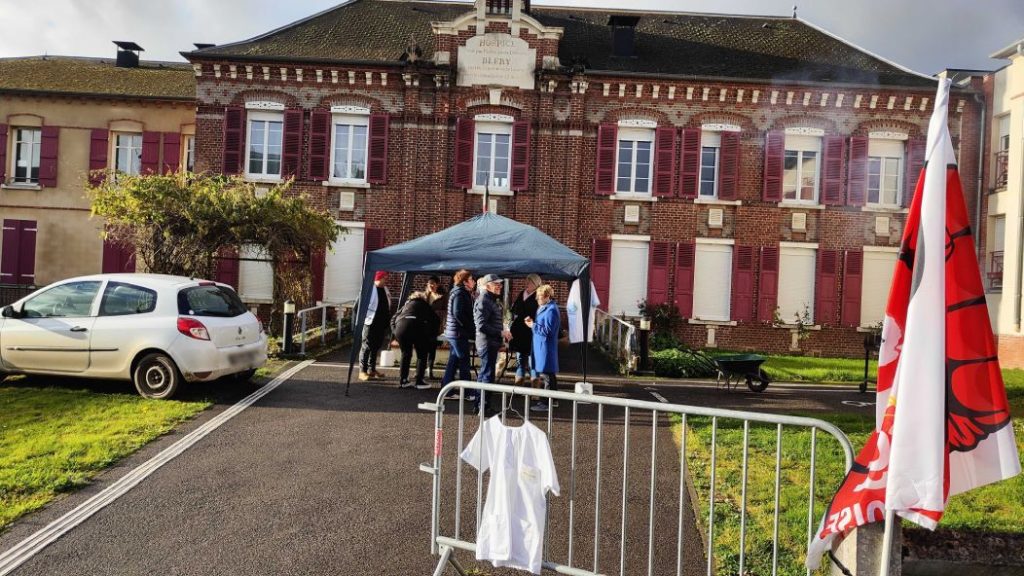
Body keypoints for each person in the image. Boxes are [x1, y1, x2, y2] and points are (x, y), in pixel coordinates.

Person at [474, 274, 511, 414]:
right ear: (488, 285)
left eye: (500, 284)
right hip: (487, 343)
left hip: (490, 343)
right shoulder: (484, 300)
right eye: (497, 284)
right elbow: (481, 325)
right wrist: (501, 333)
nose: (500, 286)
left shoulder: (489, 299)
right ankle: (483, 407)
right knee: (487, 375)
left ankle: (480, 405)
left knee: (485, 374)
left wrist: (503, 331)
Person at [391, 291, 440, 390]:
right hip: (418, 328)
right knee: (422, 354)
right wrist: (432, 334)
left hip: (401, 329)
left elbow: (393, 319)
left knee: (405, 354)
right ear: (423, 298)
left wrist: (395, 332)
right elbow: (436, 320)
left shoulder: (406, 305)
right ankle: (419, 381)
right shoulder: (425, 304)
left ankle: (403, 380)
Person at [525, 284, 561, 412]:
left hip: (545, 346)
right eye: (537, 297)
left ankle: (546, 403)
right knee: (549, 374)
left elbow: (548, 331)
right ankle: (554, 400)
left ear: (547, 296)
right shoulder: (545, 307)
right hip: (541, 345)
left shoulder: (551, 310)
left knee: (546, 374)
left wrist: (532, 325)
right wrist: (533, 323)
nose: (537, 299)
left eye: (540, 297)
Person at [442, 270, 476, 399]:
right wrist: (469, 327)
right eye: (472, 279)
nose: (474, 281)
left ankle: (447, 390)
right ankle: (466, 392)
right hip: (458, 333)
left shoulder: (458, 292)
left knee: (454, 361)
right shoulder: (460, 293)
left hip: (455, 332)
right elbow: (458, 313)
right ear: (465, 281)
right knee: (464, 362)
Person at [509, 273, 542, 386]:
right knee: (520, 359)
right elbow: (514, 309)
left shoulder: (538, 295)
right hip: (519, 331)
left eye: (529, 282)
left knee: (533, 360)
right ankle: (518, 386)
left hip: (531, 331)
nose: (526, 284)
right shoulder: (522, 294)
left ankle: (535, 388)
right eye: (526, 282)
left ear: (536, 283)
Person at [358, 271, 392, 381]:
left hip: (381, 324)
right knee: (366, 346)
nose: (387, 280)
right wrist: (361, 320)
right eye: (385, 278)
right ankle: (362, 371)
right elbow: (357, 307)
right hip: (370, 323)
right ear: (379, 277)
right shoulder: (369, 289)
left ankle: (371, 369)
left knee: (375, 347)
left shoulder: (385, 290)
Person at [425, 275, 447, 379]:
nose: (431, 285)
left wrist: (435, 313)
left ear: (438, 284)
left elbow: (446, 311)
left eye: (433, 283)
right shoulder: (424, 295)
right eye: (429, 283)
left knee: (432, 348)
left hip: (435, 325)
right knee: (422, 348)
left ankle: (430, 369)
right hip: (424, 325)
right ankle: (420, 369)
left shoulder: (442, 296)